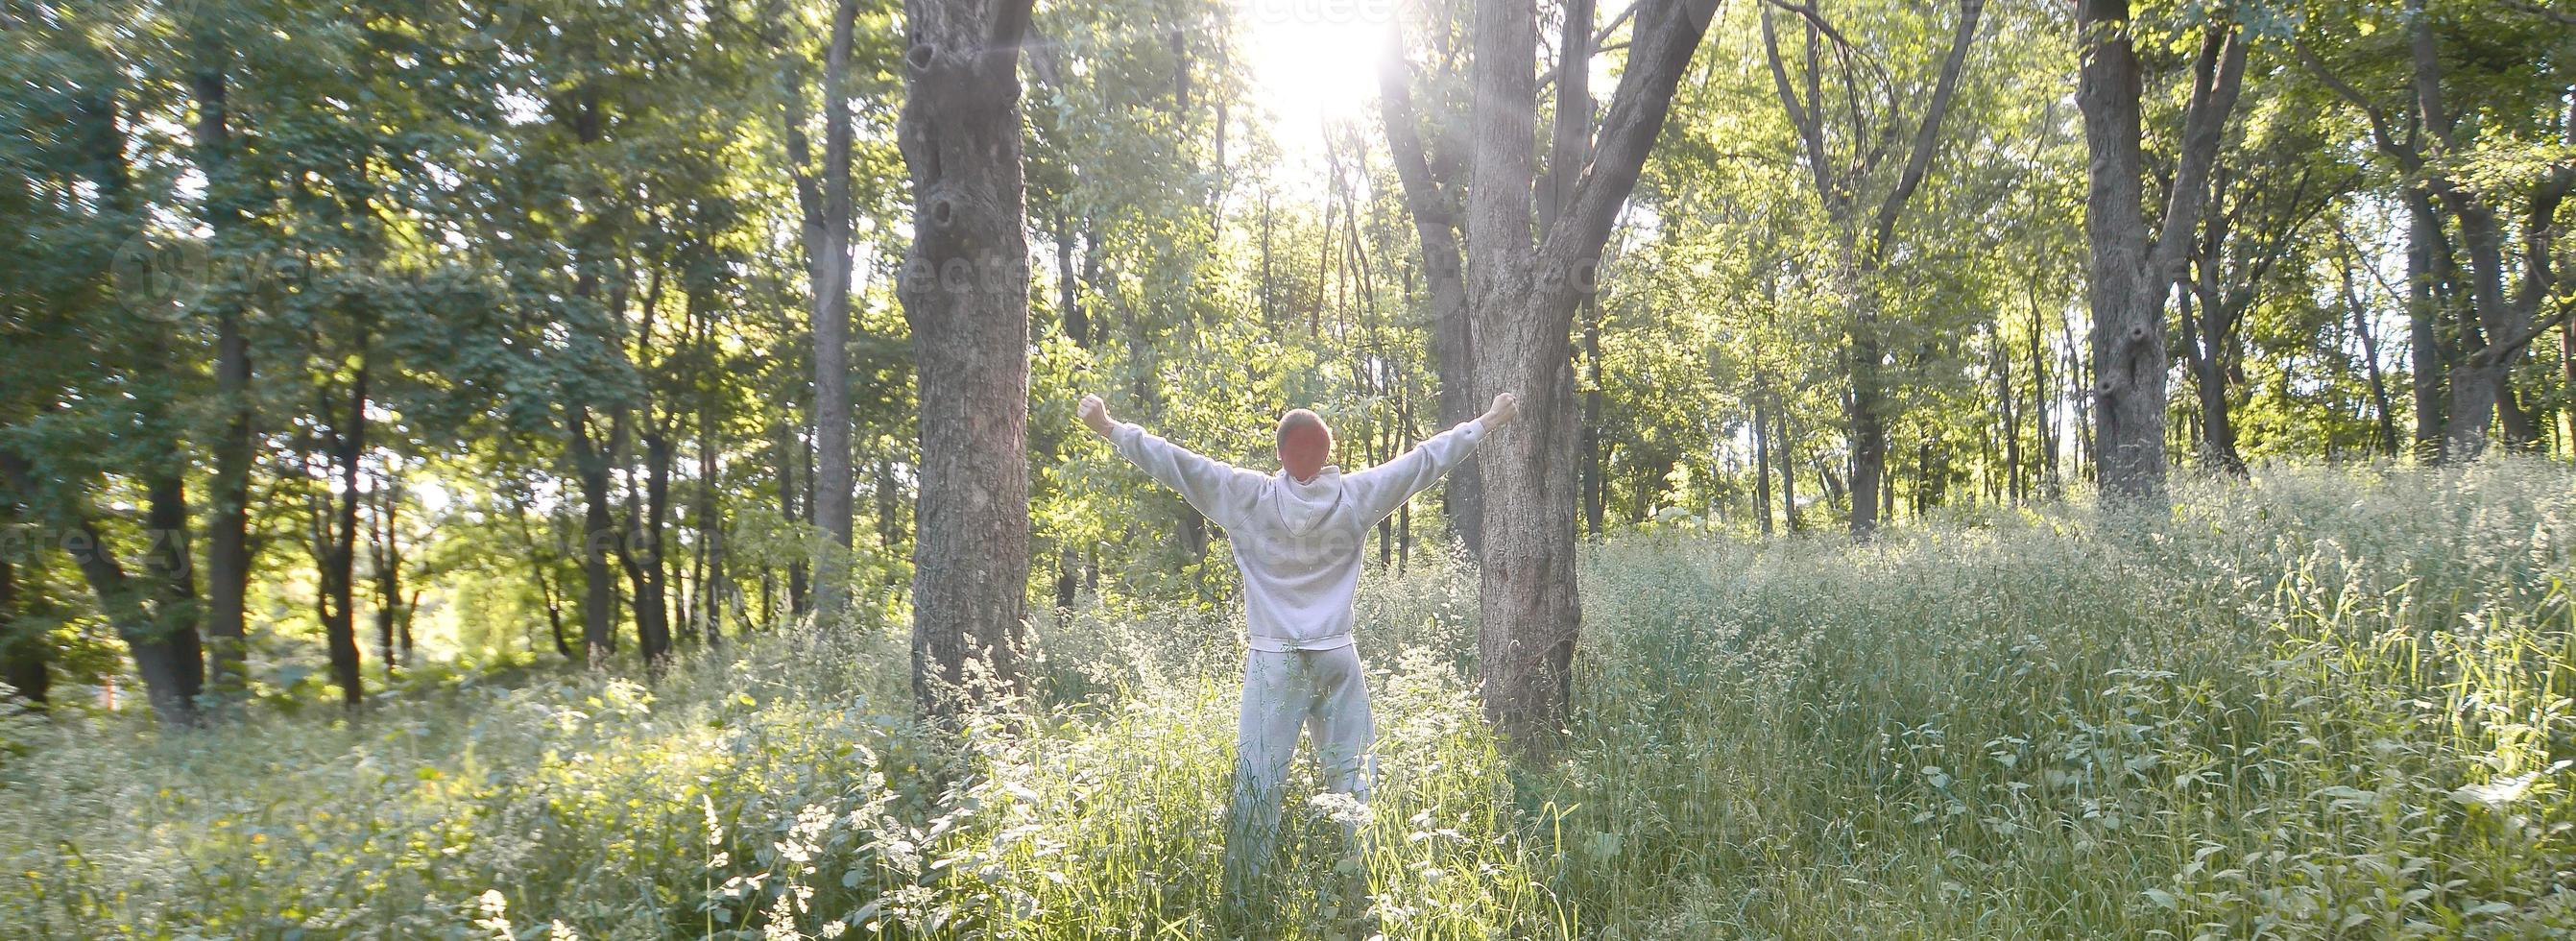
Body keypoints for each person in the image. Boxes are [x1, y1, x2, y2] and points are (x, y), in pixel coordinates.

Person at [1076, 390, 1519, 902]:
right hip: (1336, 655)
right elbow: (1422, 462)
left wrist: (1111, 428)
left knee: (1259, 780)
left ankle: (1244, 900)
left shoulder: (1248, 496)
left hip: (1274, 661)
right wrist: (1484, 423)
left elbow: (1179, 464)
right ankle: (1363, 893)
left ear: (1281, 453)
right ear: (1327, 453)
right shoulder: (1354, 496)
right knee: (1355, 778)